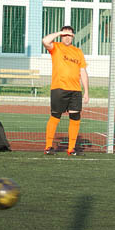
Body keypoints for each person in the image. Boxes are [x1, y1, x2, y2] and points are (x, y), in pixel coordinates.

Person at [42, 26, 89, 156]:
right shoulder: (56, 47)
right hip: (59, 88)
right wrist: (59, 33)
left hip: (75, 90)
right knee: (55, 116)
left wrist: (86, 91)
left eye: (69, 35)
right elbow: (45, 41)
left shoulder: (78, 52)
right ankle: (48, 147)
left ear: (73, 37)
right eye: (65, 35)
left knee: (75, 117)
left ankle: (71, 149)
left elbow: (83, 71)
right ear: (61, 36)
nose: (67, 38)